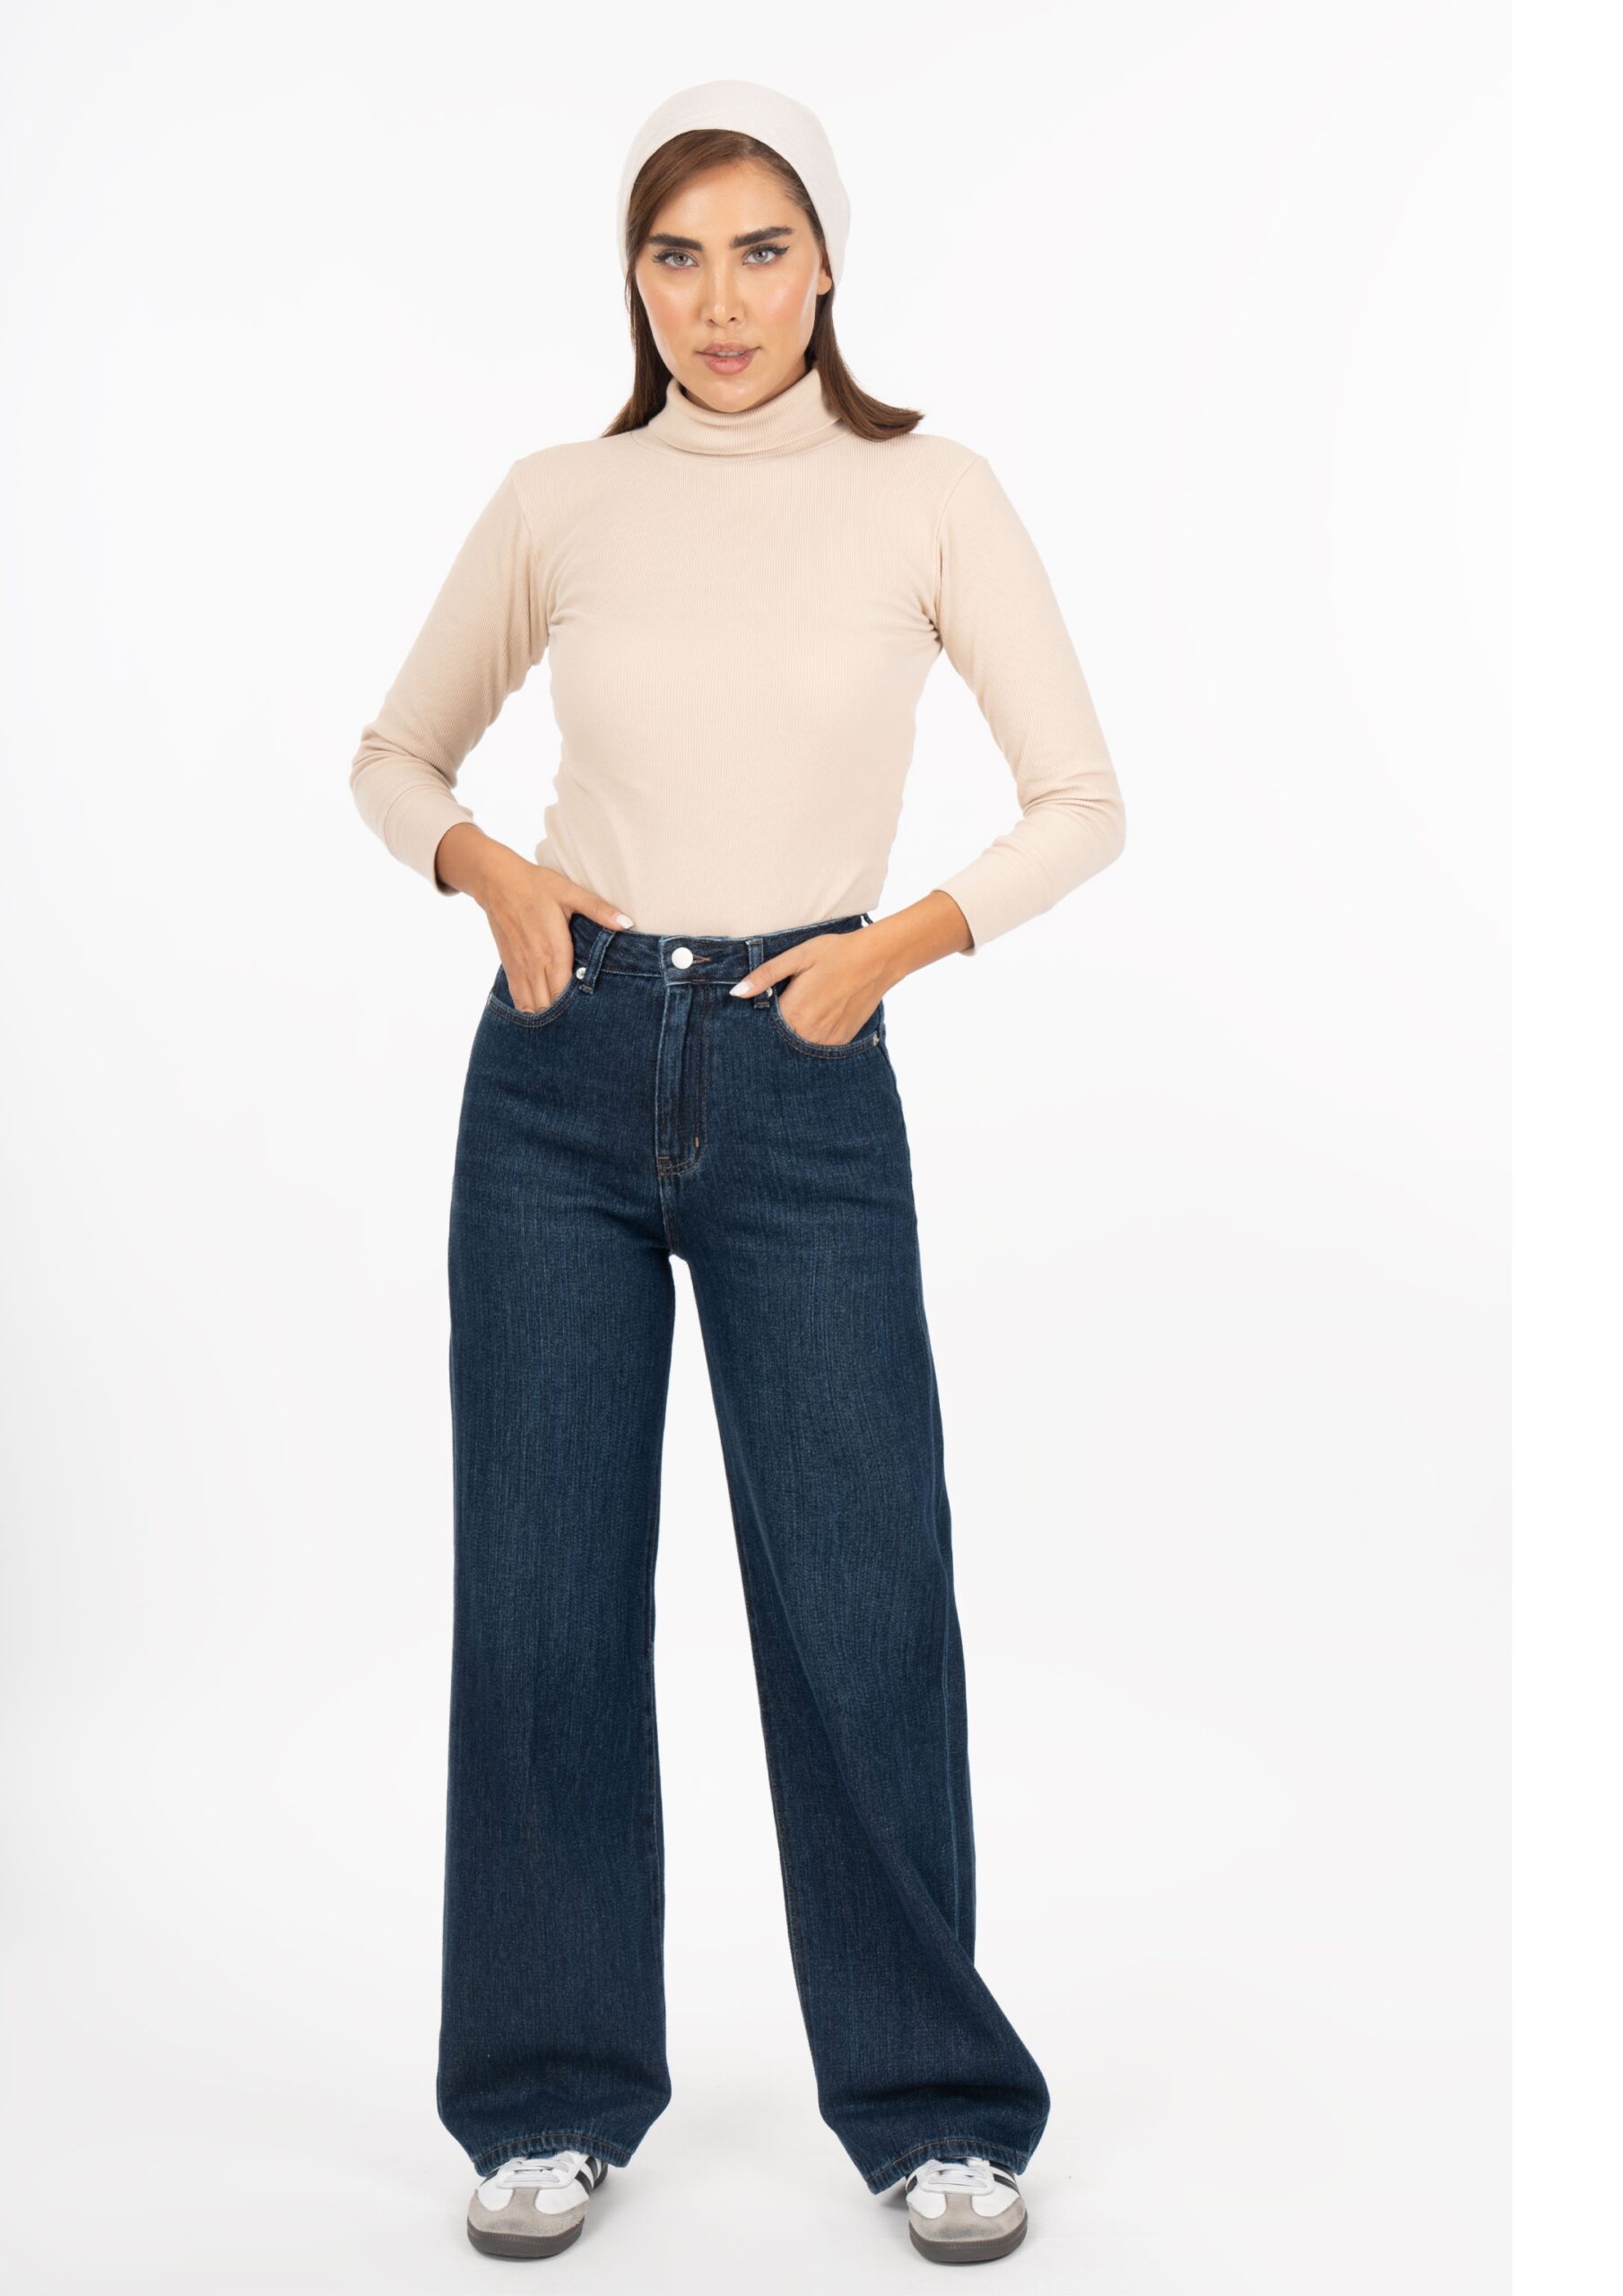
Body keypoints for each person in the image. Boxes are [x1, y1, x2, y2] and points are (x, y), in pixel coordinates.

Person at [347, 79, 1124, 2266]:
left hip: (806, 1068)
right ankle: (543, 2091)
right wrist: (486, 869)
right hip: (558, 1067)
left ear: (826, 266)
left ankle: (933, 2103)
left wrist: (885, 950)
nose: (717, 299)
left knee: (862, 1600)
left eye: (759, 250)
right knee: (543, 1601)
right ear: (631, 276)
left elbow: (1078, 799)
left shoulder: (928, 491)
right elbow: (392, 755)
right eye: (673, 254)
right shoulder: (560, 498)